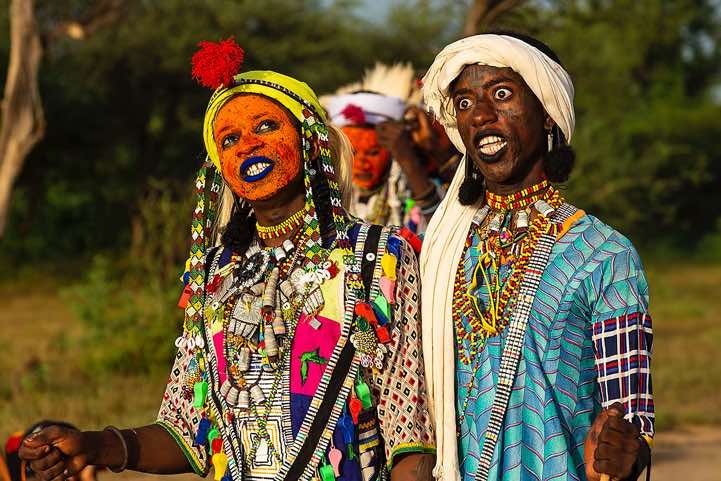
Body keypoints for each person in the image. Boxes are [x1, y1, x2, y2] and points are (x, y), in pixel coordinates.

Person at [20, 38, 435, 481]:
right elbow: (187, 431)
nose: (247, 146)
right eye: (230, 139)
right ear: (221, 167)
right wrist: (96, 446)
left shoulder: (379, 256)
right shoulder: (213, 275)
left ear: (311, 141)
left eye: (266, 127)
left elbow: (409, 433)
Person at [419, 33, 653, 481]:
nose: (481, 115)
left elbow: (630, 413)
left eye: (501, 95)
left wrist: (627, 449)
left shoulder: (603, 254)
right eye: (465, 104)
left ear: (547, 113)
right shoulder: (442, 248)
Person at [325, 64, 453, 235]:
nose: (362, 163)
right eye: (353, 152)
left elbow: (442, 234)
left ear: (393, 153)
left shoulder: (414, 194)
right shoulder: (325, 198)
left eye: (373, 152)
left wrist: (408, 160)